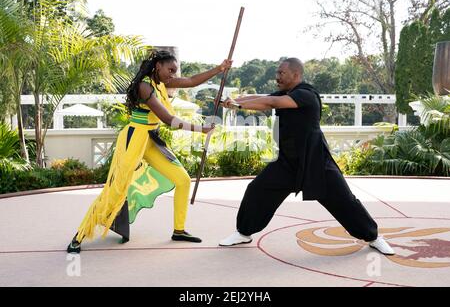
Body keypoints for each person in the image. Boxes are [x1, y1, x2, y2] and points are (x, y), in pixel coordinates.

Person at [219, 58, 395, 255]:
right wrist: (234, 101)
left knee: (345, 200)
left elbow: (271, 102)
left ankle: (373, 237)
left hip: (315, 161)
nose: (277, 77)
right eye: (277, 73)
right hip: (288, 162)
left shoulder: (305, 94)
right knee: (257, 189)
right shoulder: (287, 92)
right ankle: (244, 233)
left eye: (281, 73)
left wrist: (238, 106)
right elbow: (262, 96)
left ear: (296, 75)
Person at [67, 50, 232, 253]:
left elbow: (191, 80)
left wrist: (220, 68)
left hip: (151, 139)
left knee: (182, 180)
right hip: (134, 138)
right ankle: (79, 235)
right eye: (170, 70)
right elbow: (167, 119)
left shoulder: (162, 82)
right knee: (115, 189)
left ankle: (179, 230)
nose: (172, 75)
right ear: (158, 67)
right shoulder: (145, 86)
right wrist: (201, 130)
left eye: (175, 71)